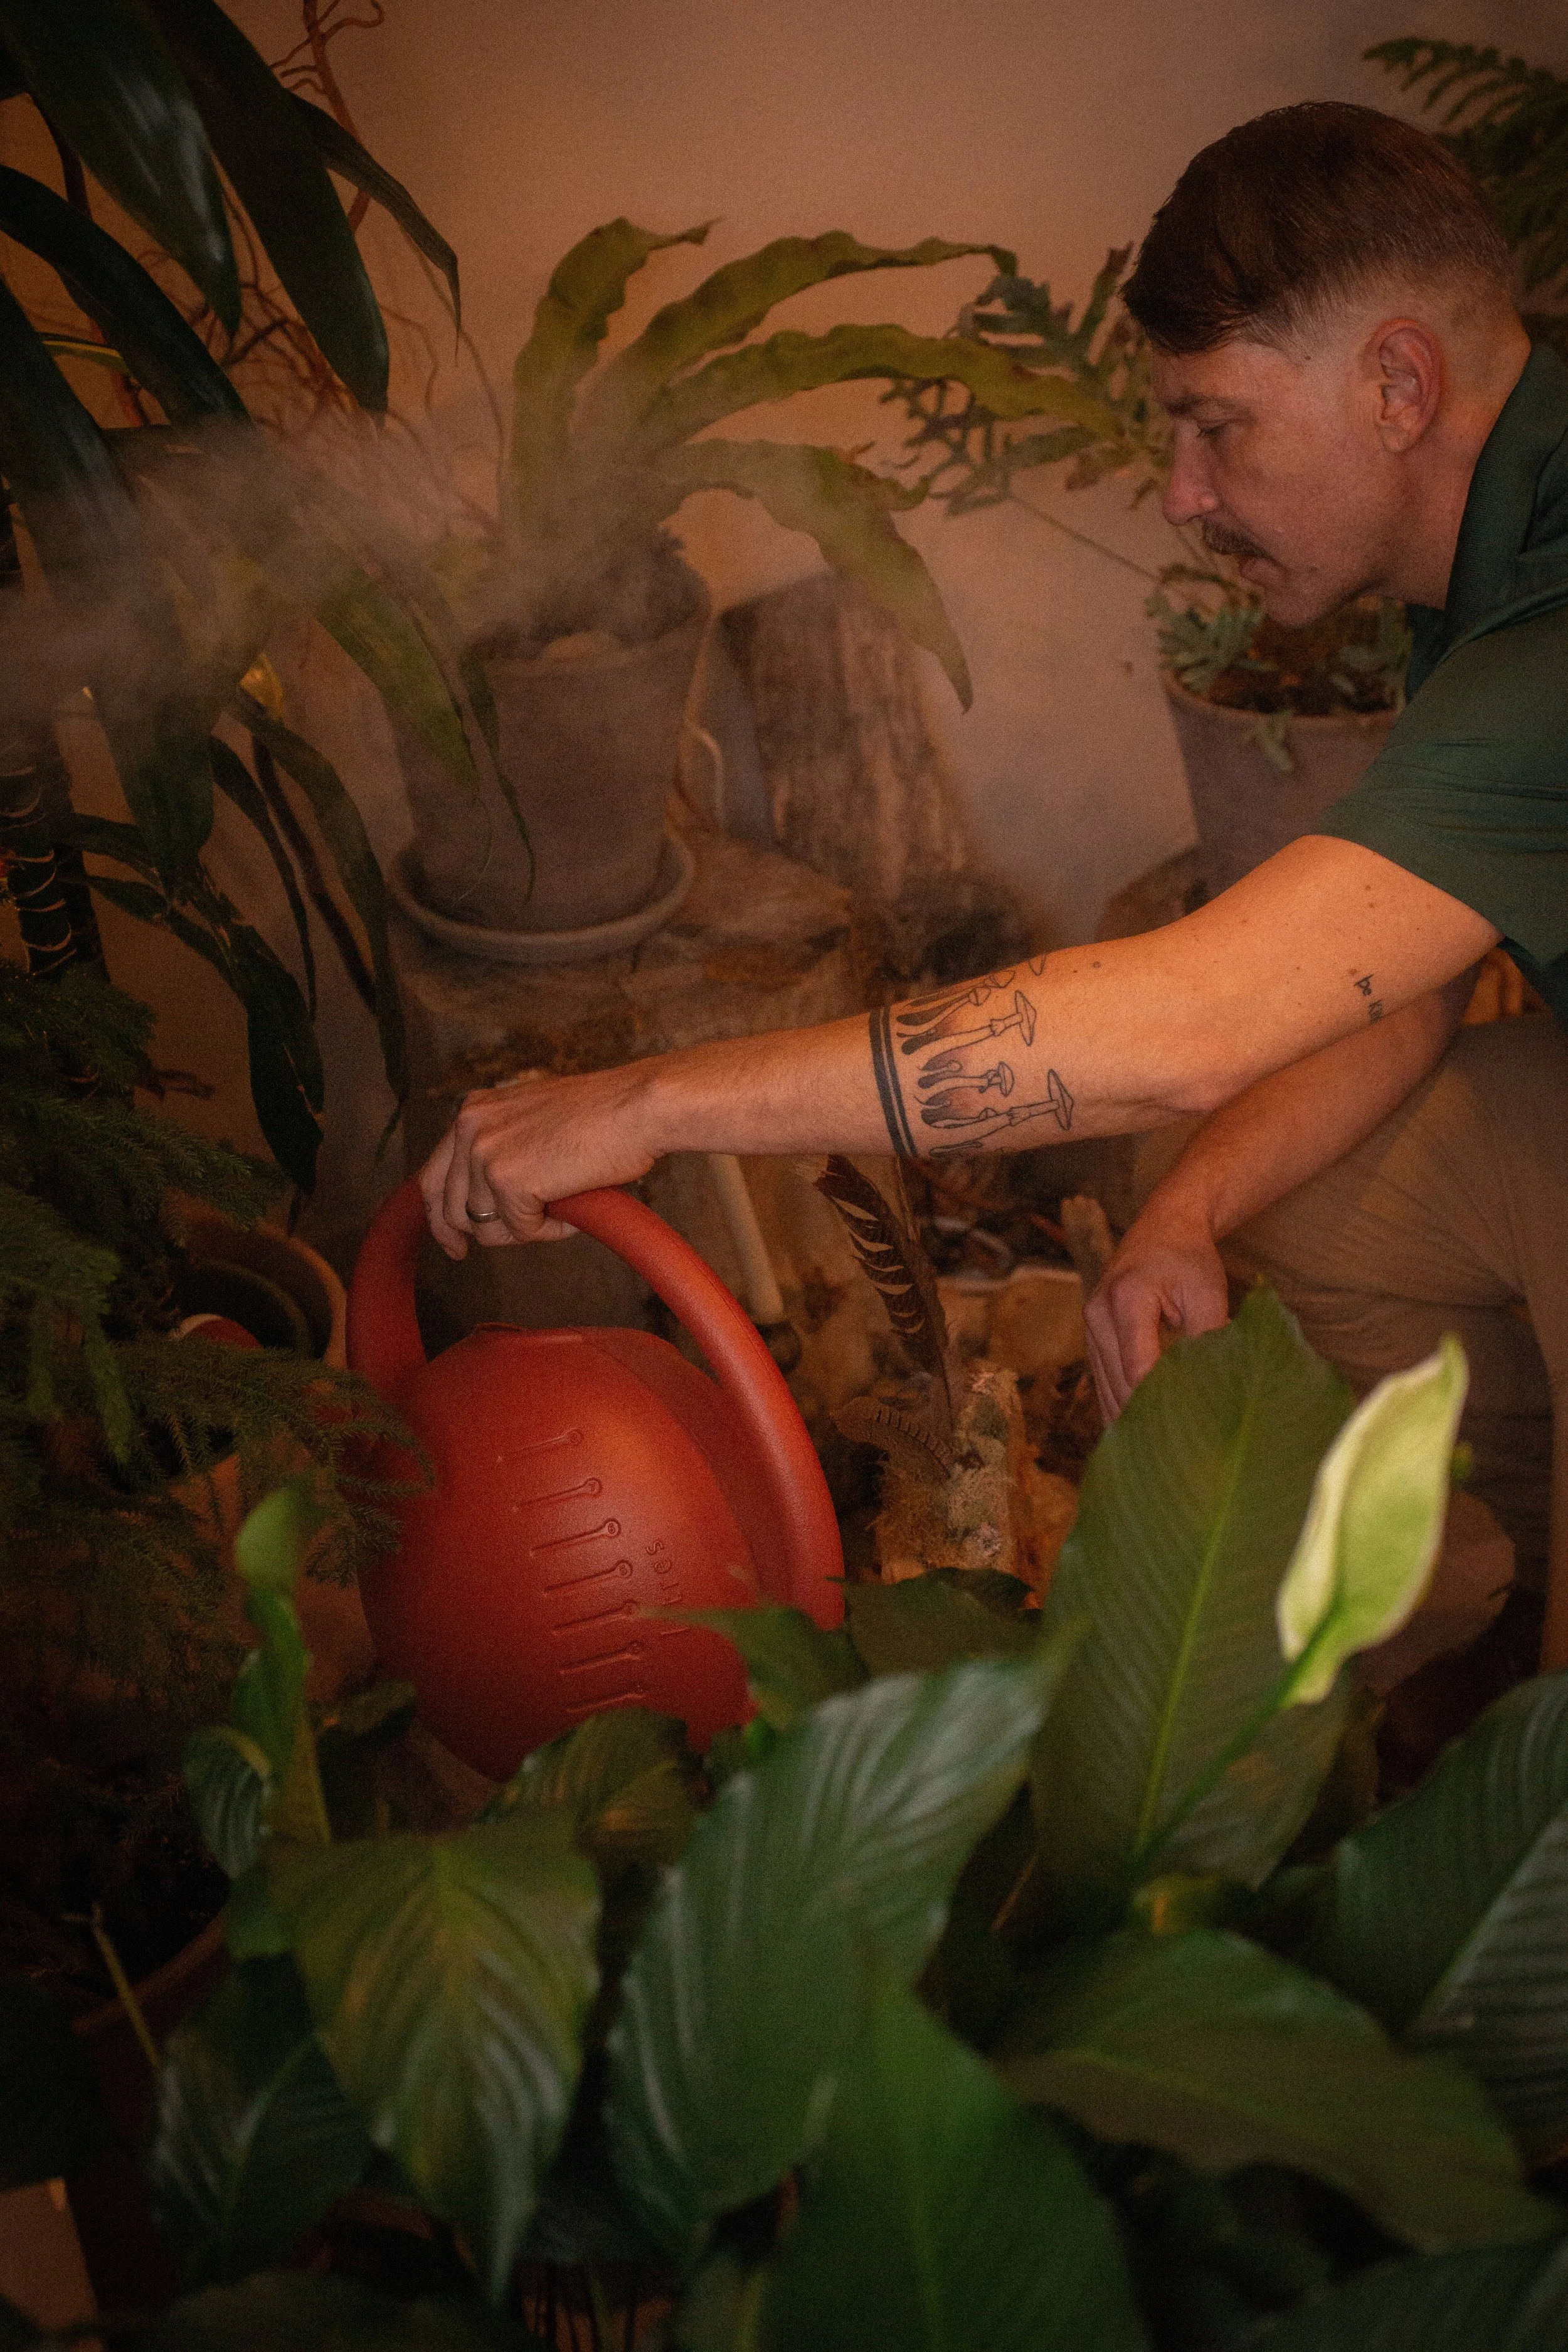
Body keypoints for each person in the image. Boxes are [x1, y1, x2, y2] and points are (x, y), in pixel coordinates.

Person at [420, 102, 1568, 1666]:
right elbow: (1397, 977)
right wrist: (1185, 1208)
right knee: (1289, 1194)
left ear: (1394, 382)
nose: (1179, 490)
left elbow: (1194, 1020)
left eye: (1215, 424)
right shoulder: (1510, 483)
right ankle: (1457, 1631)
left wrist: (643, 1102)